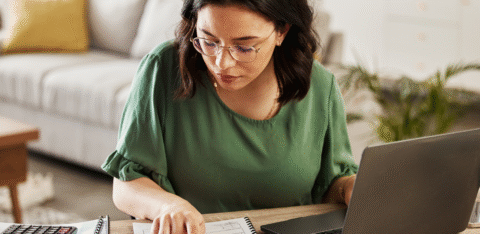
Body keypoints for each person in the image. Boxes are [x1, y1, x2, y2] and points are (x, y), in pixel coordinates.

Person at [101, 0, 358, 233]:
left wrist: (350, 187)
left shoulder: (321, 88)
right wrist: (168, 207)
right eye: (208, 41)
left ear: (282, 31)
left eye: (244, 47)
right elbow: (126, 183)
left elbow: (331, 186)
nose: (222, 63)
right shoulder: (163, 68)